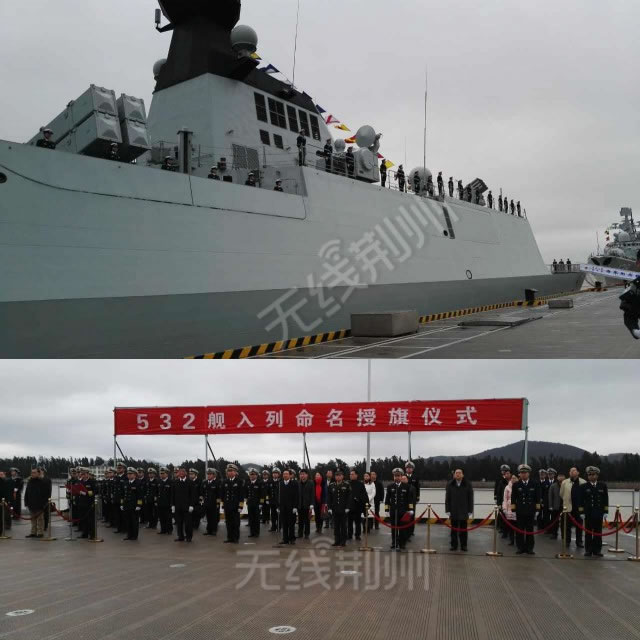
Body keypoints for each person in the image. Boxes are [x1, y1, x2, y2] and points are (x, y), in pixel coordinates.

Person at [510, 464, 540, 555]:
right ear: (519, 474)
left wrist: (538, 510)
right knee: (520, 531)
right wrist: (513, 510)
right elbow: (513, 498)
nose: (523, 474)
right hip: (520, 511)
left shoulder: (535, 484)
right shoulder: (516, 485)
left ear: (529, 473)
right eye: (521, 473)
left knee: (530, 531)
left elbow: (538, 497)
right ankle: (520, 548)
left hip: (530, 511)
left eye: (525, 473)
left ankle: (529, 548)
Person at [385, 467, 415, 551]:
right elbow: (387, 499)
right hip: (394, 511)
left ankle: (402, 544)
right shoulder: (390, 486)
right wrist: (386, 510)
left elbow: (410, 499)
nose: (396, 477)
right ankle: (394, 543)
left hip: (404, 511)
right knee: (394, 529)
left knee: (403, 529)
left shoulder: (407, 486)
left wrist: (411, 509)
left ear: (401, 476)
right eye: (395, 476)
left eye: (398, 476)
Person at [581, 466, 608, 557]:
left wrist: (605, 511)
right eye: (589, 475)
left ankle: (597, 550)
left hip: (599, 513)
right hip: (588, 513)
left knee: (598, 533)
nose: (591, 477)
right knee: (588, 533)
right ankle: (588, 550)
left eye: (593, 475)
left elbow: (605, 499)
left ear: (597, 475)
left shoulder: (602, 486)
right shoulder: (584, 486)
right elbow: (581, 501)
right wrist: (581, 512)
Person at [445, 469, 474, 551]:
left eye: (459, 473)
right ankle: (454, 545)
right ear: (454, 475)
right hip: (453, 510)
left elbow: (470, 498)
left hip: (464, 510)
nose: (457, 474)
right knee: (453, 530)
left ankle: (464, 545)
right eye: (456, 473)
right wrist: (447, 510)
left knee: (463, 530)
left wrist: (470, 510)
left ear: (463, 475)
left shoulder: (468, 484)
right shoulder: (450, 484)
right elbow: (447, 498)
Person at [560, 466, 586, 548]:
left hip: (579, 508)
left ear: (578, 472)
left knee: (579, 525)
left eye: (574, 470)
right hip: (568, 507)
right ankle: (567, 541)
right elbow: (561, 494)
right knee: (567, 526)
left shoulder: (583, 482)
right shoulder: (564, 482)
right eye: (570, 471)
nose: (571, 472)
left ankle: (579, 542)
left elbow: (585, 495)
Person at [172, 466, 196, 543]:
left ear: (185, 473)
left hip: (187, 507)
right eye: (180, 472)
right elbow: (173, 495)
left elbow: (193, 495)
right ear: (178, 473)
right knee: (179, 523)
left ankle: (189, 537)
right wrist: (173, 505)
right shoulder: (175, 482)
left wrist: (192, 505)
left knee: (188, 523)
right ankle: (180, 536)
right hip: (178, 507)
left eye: (183, 472)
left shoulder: (190, 482)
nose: (181, 473)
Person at [327, 469, 350, 547]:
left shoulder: (346, 485)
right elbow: (329, 498)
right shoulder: (331, 485)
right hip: (335, 509)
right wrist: (329, 507)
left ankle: (343, 541)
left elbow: (349, 497)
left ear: (342, 476)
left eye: (340, 475)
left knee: (343, 526)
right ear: (335, 476)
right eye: (336, 475)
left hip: (343, 509)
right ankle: (337, 540)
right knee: (336, 526)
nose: (338, 477)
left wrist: (347, 507)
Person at [222, 464, 244, 544]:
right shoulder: (225, 482)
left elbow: (241, 495)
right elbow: (223, 494)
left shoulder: (239, 482)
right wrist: (223, 504)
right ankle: (229, 537)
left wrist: (240, 506)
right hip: (227, 506)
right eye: (229, 471)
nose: (230, 472)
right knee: (228, 523)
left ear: (235, 472)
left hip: (235, 506)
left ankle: (235, 538)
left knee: (236, 523)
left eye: (232, 471)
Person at [24, 468, 48, 539]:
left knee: (40, 520)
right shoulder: (30, 482)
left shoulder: (42, 482)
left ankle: (40, 533)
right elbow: (26, 493)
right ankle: (33, 532)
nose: (32, 474)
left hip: (39, 504)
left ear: (38, 473)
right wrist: (26, 502)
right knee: (33, 520)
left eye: (34, 472)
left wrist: (44, 504)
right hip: (31, 504)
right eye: (32, 472)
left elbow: (45, 494)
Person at [121, 467, 143, 541]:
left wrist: (139, 505)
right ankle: (129, 535)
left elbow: (140, 495)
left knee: (134, 521)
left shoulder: (138, 483)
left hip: (134, 506)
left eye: (131, 474)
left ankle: (134, 535)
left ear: (135, 474)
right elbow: (123, 494)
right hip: (127, 505)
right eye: (128, 474)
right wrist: (122, 504)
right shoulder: (126, 482)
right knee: (128, 521)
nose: (129, 475)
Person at [279, 469, 299, 545]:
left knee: (291, 524)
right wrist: (279, 506)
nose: (285, 475)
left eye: (287, 474)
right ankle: (285, 539)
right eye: (284, 474)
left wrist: (295, 507)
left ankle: (292, 539)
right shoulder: (280, 483)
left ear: (290, 475)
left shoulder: (294, 483)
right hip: (283, 508)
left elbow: (296, 496)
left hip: (291, 508)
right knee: (284, 524)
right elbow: (279, 496)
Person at [347, 469, 368, 541]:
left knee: (358, 522)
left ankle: (357, 535)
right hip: (349, 507)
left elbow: (364, 495)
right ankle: (349, 535)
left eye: (352, 474)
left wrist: (359, 500)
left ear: (356, 475)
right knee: (349, 522)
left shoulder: (360, 484)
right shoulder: (347, 484)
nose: (351, 476)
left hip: (357, 506)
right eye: (350, 474)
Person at [620, 274, 640, 339]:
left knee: (629, 317)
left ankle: (635, 331)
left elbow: (629, 291)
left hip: (634, 304)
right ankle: (636, 332)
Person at [244, 468, 263, 538]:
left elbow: (262, 494)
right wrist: (246, 500)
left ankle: (256, 533)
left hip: (257, 504)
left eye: (253, 474)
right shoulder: (248, 483)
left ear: (256, 475)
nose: (252, 476)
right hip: (250, 503)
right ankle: (252, 532)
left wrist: (261, 503)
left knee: (256, 519)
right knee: (251, 519)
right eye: (251, 475)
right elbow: (246, 493)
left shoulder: (260, 483)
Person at [297, 469, 314, 540]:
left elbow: (312, 494)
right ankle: (300, 534)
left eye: (303, 474)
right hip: (299, 505)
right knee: (300, 520)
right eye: (301, 474)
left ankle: (307, 534)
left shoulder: (311, 483)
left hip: (307, 505)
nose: (302, 475)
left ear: (307, 475)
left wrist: (312, 504)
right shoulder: (298, 483)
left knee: (307, 520)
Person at [405, 461, 420, 539]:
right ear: (406, 469)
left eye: (410, 468)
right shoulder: (403, 476)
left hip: (413, 499)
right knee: (406, 515)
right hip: (405, 499)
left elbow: (417, 488)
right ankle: (406, 530)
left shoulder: (415, 477)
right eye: (407, 468)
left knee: (412, 515)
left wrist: (418, 497)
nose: (409, 469)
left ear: (413, 469)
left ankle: (411, 531)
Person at [547, 471, 564, 539]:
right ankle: (554, 534)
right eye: (559, 476)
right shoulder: (553, 485)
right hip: (555, 506)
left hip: (564, 507)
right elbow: (550, 496)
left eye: (562, 476)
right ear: (557, 478)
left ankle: (564, 535)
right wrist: (550, 506)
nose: (561, 478)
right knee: (554, 522)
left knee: (564, 523)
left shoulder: (567, 485)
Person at [156, 467, 173, 535]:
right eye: (160, 473)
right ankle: (163, 530)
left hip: (167, 503)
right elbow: (157, 492)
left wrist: (172, 503)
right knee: (161, 517)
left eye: (163, 473)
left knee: (168, 518)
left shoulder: (171, 482)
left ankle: (169, 530)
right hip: (160, 503)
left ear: (167, 474)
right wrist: (156, 501)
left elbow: (172, 494)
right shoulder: (159, 481)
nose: (161, 475)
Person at [501, 474, 518, 545]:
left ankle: (518, 541)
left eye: (515, 478)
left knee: (518, 527)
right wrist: (504, 508)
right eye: (512, 478)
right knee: (511, 526)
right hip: (509, 508)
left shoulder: (519, 486)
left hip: (518, 509)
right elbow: (505, 499)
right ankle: (511, 540)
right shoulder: (507, 487)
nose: (513, 479)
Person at [39, 465, 52, 533]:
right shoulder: (37, 479)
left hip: (45, 499)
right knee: (39, 513)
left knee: (46, 513)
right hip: (38, 499)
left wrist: (49, 499)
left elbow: (49, 490)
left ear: (43, 471)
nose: (40, 471)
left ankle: (45, 526)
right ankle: (40, 526)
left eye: (41, 470)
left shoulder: (47, 479)